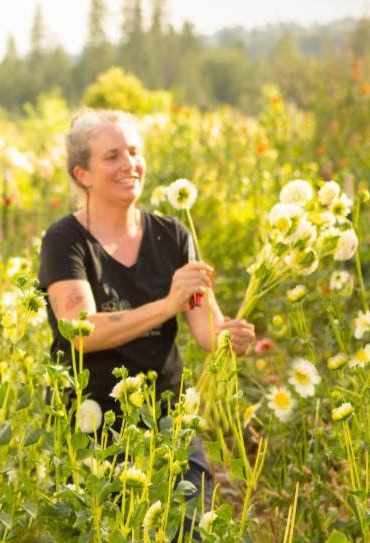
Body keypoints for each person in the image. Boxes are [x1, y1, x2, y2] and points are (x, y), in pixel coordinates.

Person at [38, 109, 255, 513]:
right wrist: (167, 305)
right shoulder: (65, 240)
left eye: (134, 152)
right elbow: (80, 331)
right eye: (112, 156)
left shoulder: (172, 235)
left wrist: (233, 337)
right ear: (82, 173)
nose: (129, 165)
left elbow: (209, 331)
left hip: (165, 418)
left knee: (190, 535)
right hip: (93, 427)